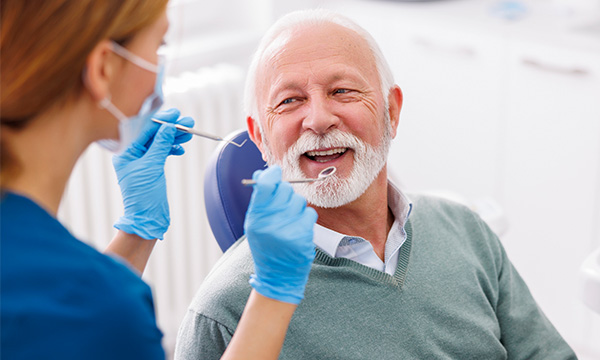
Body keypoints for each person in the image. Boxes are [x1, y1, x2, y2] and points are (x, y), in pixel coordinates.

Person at [174, 9, 578, 360]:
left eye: (342, 91)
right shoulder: (223, 313)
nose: (318, 120)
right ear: (260, 138)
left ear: (392, 112)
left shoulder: (465, 229)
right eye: (290, 101)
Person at [0, 1, 316, 359]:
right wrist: (274, 292)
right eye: (159, 45)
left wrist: (137, 230)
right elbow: (82, 315)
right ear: (104, 68)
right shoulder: (102, 309)